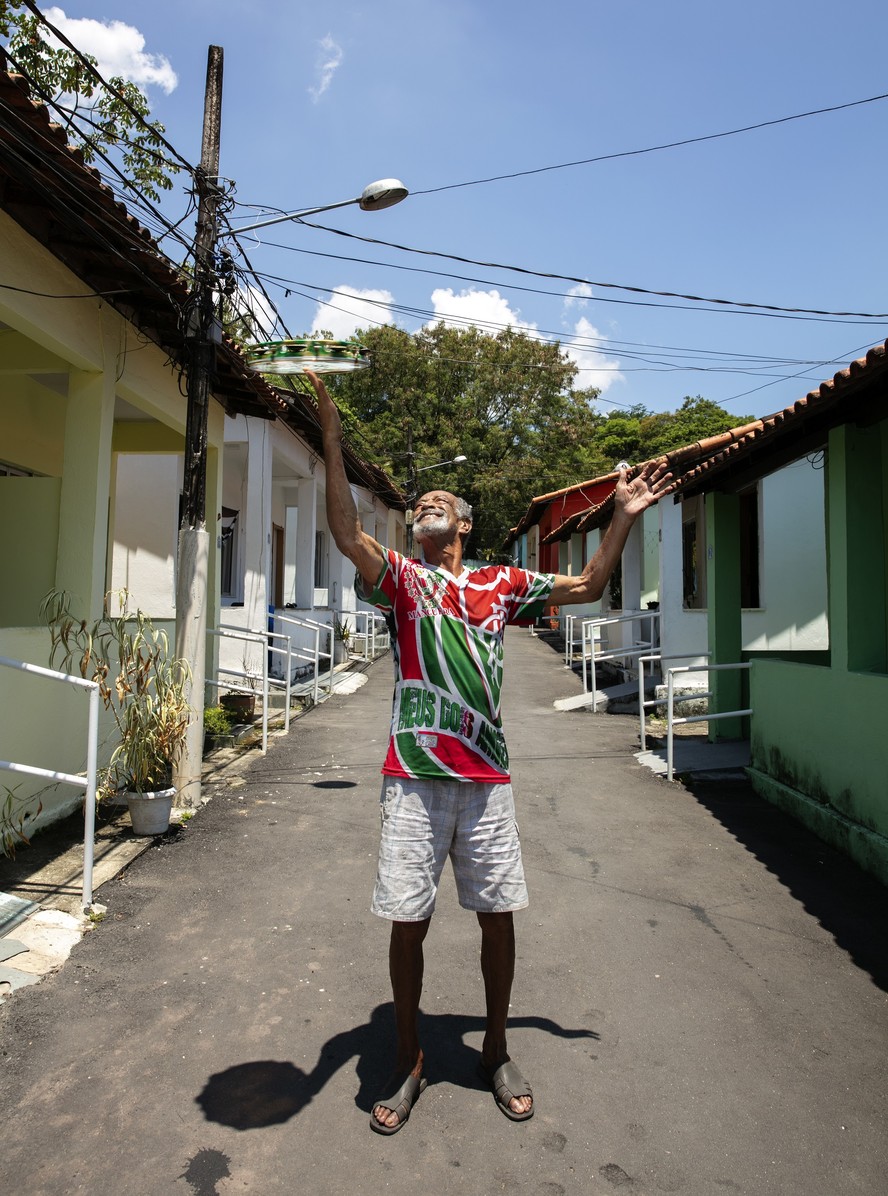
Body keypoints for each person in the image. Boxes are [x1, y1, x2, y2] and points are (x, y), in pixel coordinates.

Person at [306, 370, 672, 1134]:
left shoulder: (503, 585)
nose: (423, 509)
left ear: (464, 525)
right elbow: (345, 532)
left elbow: (593, 584)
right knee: (407, 919)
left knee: (497, 915)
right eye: (418, 507)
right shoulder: (401, 581)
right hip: (413, 777)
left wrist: (624, 517)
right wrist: (332, 438)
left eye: (438, 505)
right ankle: (409, 1060)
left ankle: (495, 1049)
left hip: (485, 778)